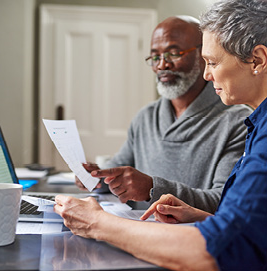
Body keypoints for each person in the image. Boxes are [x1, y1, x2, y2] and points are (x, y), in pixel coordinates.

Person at [55, 0, 267, 270]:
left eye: (212, 61)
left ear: (257, 60)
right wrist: (198, 216)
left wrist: (98, 223)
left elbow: (220, 247)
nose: (206, 74)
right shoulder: (257, 123)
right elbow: (246, 222)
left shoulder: (245, 123)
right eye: (155, 56)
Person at [77, 15, 252, 213]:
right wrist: (97, 177)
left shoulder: (238, 122)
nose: (162, 65)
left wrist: (153, 189)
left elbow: (224, 200)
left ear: (203, 55)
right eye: (155, 56)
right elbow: (117, 175)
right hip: (135, 231)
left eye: (174, 53)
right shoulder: (146, 117)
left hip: (191, 238)